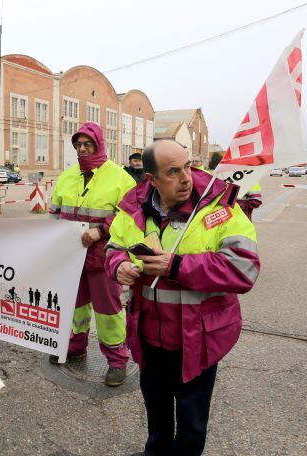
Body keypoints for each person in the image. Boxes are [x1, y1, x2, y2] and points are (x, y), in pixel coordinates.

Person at [105, 140, 260, 455]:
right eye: (173, 172)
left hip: (199, 340)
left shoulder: (221, 207)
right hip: (149, 337)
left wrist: (176, 266)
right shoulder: (132, 208)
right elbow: (113, 247)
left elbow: (244, 269)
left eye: (187, 166)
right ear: (151, 179)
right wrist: (118, 266)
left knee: (191, 423)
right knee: (157, 414)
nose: (186, 178)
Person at [48, 122, 137, 386]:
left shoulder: (121, 178)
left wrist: (101, 231)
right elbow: (54, 212)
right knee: (75, 306)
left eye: (88, 144)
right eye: (78, 144)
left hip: (104, 258)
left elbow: (130, 216)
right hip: (72, 257)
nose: (82, 149)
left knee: (108, 311)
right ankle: (75, 346)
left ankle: (117, 361)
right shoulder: (67, 176)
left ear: (99, 144)